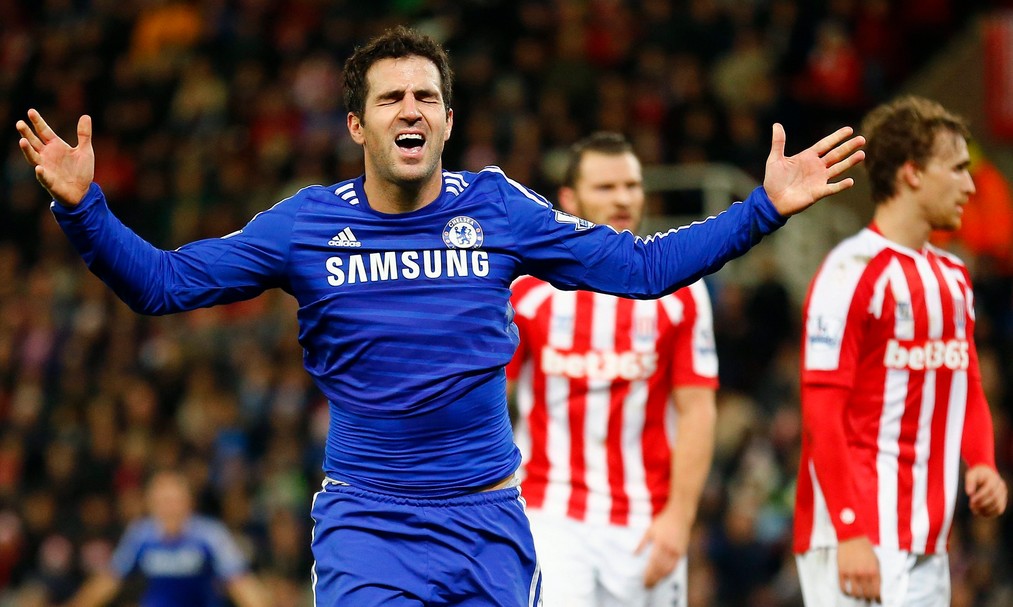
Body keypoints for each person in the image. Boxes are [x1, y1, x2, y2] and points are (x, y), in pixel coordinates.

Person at [16, 25, 864, 607]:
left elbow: (641, 269)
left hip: (487, 522)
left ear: (449, 119)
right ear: (357, 124)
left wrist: (761, 209)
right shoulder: (305, 225)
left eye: (425, 95)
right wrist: (84, 208)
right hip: (368, 524)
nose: (410, 108)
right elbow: (163, 284)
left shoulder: (497, 207)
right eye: (390, 98)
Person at [793, 95, 1008, 606]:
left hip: (928, 539)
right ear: (912, 173)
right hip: (854, 537)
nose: (970, 185)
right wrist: (849, 531)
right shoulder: (849, 271)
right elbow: (822, 409)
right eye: (956, 169)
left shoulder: (953, 276)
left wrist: (982, 460)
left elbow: (965, 380)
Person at [507, 131, 718, 606]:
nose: (622, 198)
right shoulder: (528, 290)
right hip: (548, 514)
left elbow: (698, 410)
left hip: (646, 522)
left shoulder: (683, 289)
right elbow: (492, 398)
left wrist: (680, 519)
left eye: (631, 185)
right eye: (605, 187)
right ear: (569, 199)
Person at [66, 471, 267, 607]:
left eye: (174, 501)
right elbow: (109, 580)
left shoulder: (210, 534)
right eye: (163, 501)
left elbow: (241, 582)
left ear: (188, 502)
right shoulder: (141, 534)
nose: (169, 509)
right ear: (151, 504)